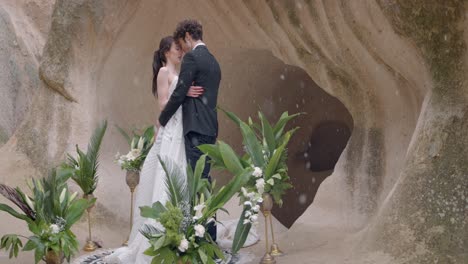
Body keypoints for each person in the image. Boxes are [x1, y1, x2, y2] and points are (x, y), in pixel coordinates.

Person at [104, 35, 203, 264]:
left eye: (181, 48)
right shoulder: (163, 73)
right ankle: (158, 235)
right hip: (170, 129)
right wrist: (184, 94)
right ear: (166, 52)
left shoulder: (175, 74)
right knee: (164, 177)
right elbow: (162, 105)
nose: (180, 52)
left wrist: (184, 94)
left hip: (178, 129)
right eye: (176, 49)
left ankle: (177, 232)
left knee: (177, 176)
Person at [158, 19, 221, 242]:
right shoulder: (214, 61)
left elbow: (179, 92)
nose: (182, 49)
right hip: (210, 128)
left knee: (196, 182)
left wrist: (163, 119)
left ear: (187, 36)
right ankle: (209, 233)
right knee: (204, 179)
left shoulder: (193, 58)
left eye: (182, 43)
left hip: (195, 129)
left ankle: (202, 237)